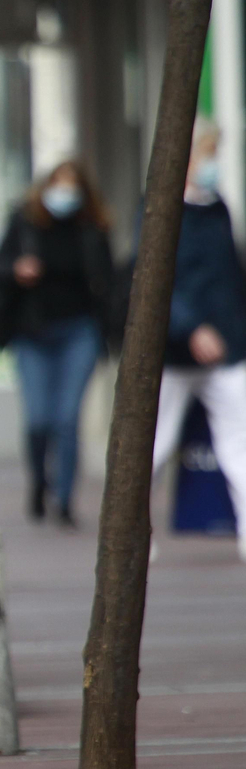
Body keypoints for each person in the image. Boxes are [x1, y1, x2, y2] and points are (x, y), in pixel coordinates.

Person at [0, 160, 115, 526]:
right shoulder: (24, 223)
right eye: (59, 185)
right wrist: (16, 270)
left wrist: (112, 330)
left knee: (67, 418)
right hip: (33, 335)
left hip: (80, 332)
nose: (65, 194)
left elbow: (108, 285)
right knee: (39, 418)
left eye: (72, 187)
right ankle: (39, 482)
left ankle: (64, 499)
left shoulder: (93, 229)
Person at [150, 120, 246, 563]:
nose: (210, 162)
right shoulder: (158, 209)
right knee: (153, 445)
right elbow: (156, 280)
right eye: (204, 152)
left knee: (239, 442)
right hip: (173, 352)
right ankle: (134, 535)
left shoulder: (219, 207)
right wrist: (191, 328)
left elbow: (230, 278)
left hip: (227, 349)